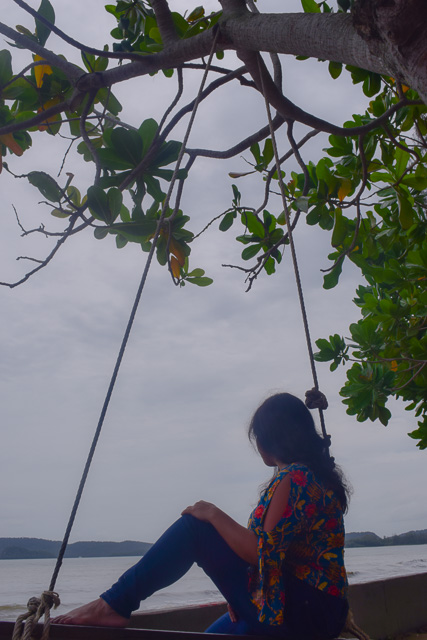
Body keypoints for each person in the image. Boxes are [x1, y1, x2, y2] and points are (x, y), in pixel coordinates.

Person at [53, 392, 350, 638]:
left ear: (268, 442)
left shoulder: (295, 477)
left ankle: (115, 604)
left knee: (194, 529)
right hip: (316, 612)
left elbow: (262, 553)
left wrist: (213, 513)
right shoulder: (316, 476)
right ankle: (115, 603)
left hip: (303, 615)